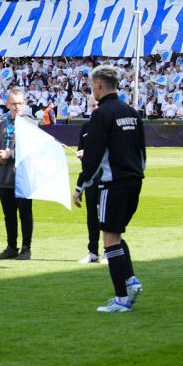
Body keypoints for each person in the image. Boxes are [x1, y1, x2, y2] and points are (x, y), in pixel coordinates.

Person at [74, 66, 146, 313]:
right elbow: (141, 152)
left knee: (110, 238)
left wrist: (79, 186)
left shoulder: (101, 114)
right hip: (135, 181)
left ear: (99, 86)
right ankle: (131, 281)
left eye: (92, 86)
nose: (92, 90)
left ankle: (121, 298)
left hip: (112, 184)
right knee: (116, 233)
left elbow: (92, 157)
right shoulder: (131, 113)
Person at [0, 87, 33, 260]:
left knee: (25, 214)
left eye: (20, 103)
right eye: (13, 104)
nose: (17, 107)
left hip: (23, 178)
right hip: (5, 178)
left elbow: (31, 149)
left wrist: (10, 154)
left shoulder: (29, 123)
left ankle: (26, 248)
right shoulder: (1, 125)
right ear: (7, 104)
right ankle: (11, 247)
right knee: (9, 215)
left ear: (24, 104)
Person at [76, 94, 105, 265]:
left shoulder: (109, 127)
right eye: (92, 106)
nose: (95, 109)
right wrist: (82, 156)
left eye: (97, 105)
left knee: (106, 216)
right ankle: (92, 251)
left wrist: (90, 155)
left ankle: (109, 251)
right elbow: (82, 152)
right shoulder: (85, 127)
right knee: (91, 217)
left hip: (108, 179)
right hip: (90, 179)